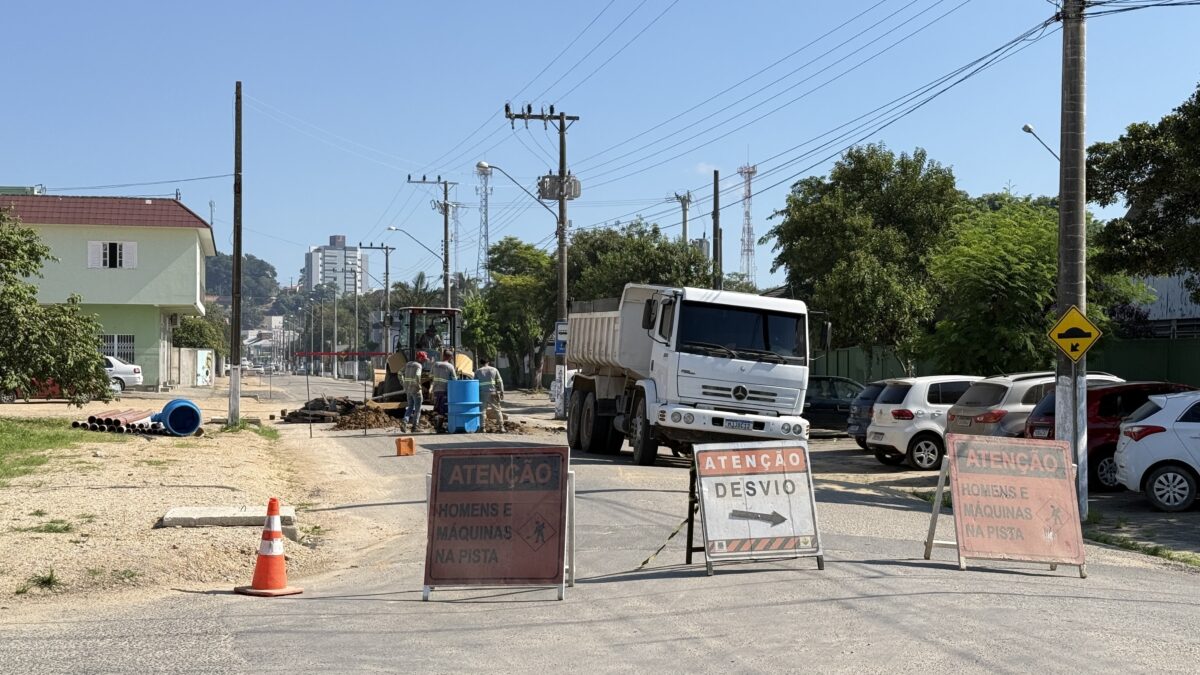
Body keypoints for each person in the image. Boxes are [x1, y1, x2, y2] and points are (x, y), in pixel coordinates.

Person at [430, 349, 458, 428]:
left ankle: (437, 425)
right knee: (443, 409)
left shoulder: (435, 364)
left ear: (443, 355)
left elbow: (430, 376)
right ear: (450, 357)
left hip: (436, 390)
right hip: (445, 390)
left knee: (437, 408)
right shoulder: (450, 366)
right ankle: (441, 426)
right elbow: (455, 380)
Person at [475, 357, 505, 431]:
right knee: (497, 410)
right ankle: (501, 427)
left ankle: (483, 427)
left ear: (481, 363)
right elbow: (500, 381)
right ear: (488, 362)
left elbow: (474, 383)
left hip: (482, 393)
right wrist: (502, 391)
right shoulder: (494, 370)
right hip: (493, 393)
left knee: (482, 411)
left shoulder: (478, 371)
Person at [402, 353, 426, 432]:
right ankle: (415, 427)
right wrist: (418, 386)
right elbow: (418, 375)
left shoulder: (408, 364)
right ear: (419, 358)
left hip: (408, 390)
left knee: (410, 407)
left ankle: (405, 420)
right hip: (416, 390)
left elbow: (399, 373)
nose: (424, 361)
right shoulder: (419, 366)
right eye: (423, 359)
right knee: (417, 409)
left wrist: (403, 384)